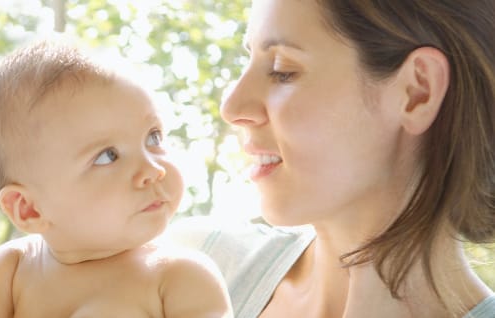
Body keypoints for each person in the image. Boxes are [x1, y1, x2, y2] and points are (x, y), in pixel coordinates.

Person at [168, 0, 495, 317]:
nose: (232, 107)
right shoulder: (184, 271)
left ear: (416, 92)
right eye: (247, 59)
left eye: (282, 71)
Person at [0, 41, 232, 317]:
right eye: (107, 156)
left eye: (153, 137)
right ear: (28, 208)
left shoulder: (179, 278)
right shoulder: (13, 269)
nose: (153, 170)